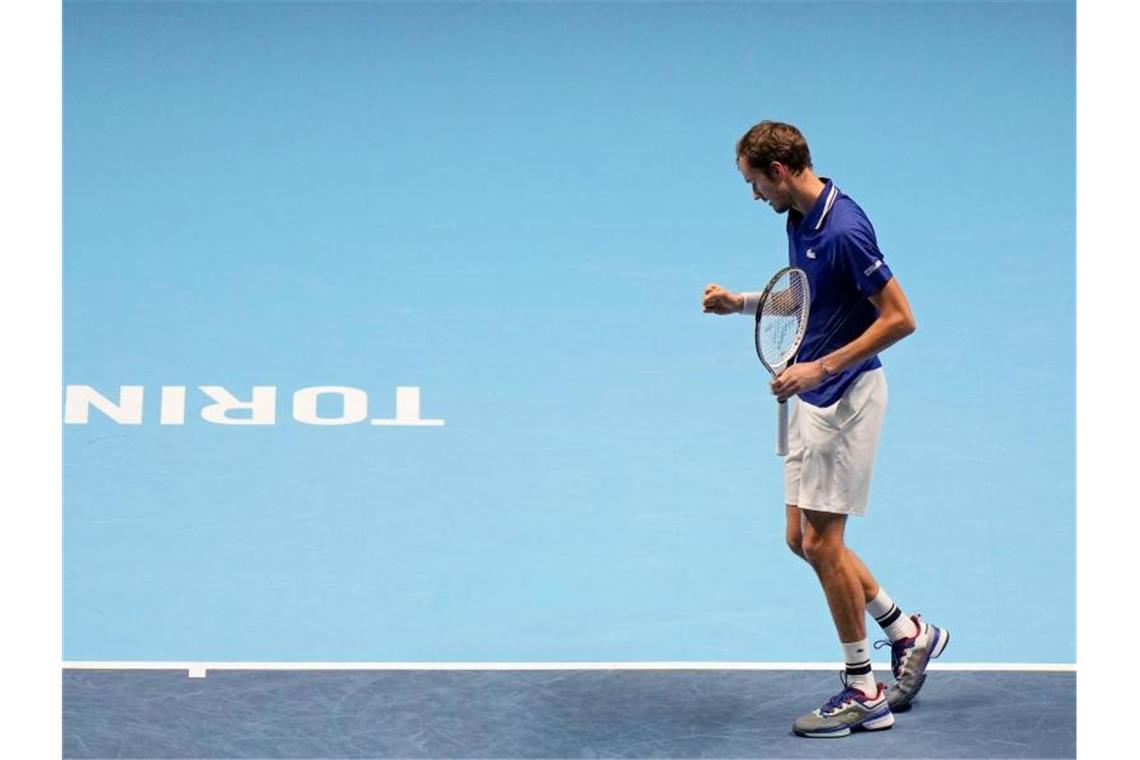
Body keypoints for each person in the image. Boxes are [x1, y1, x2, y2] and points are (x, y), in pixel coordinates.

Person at [702, 121, 949, 738]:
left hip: (845, 398)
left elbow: (901, 318)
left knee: (822, 545)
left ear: (779, 172)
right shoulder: (799, 220)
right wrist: (741, 302)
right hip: (810, 397)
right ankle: (906, 631)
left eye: (754, 182)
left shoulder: (844, 229)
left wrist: (820, 365)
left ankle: (863, 688)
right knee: (800, 538)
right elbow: (812, 299)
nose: (754, 194)